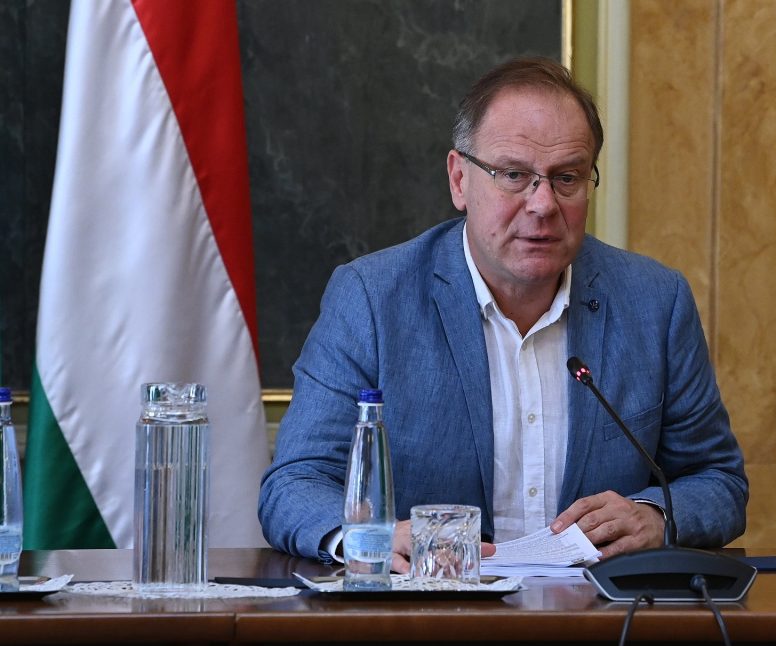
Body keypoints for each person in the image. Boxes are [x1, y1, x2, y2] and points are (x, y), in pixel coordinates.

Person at [259, 57, 747, 569]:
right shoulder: (372, 298)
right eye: (514, 175)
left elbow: (718, 481)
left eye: (567, 178)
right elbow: (295, 482)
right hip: (432, 609)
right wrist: (373, 539)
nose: (543, 204)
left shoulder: (655, 302)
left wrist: (656, 516)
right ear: (459, 180)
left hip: (599, 613)